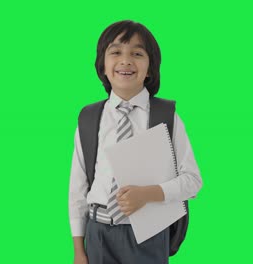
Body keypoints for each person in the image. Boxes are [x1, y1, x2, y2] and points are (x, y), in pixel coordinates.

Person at [69, 20, 203, 264]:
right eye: (116, 52)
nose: (126, 60)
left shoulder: (165, 116)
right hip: (97, 233)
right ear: (103, 65)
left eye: (137, 53)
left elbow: (193, 181)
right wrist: (79, 250)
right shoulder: (89, 118)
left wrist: (149, 194)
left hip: (149, 235)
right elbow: (78, 189)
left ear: (150, 68)